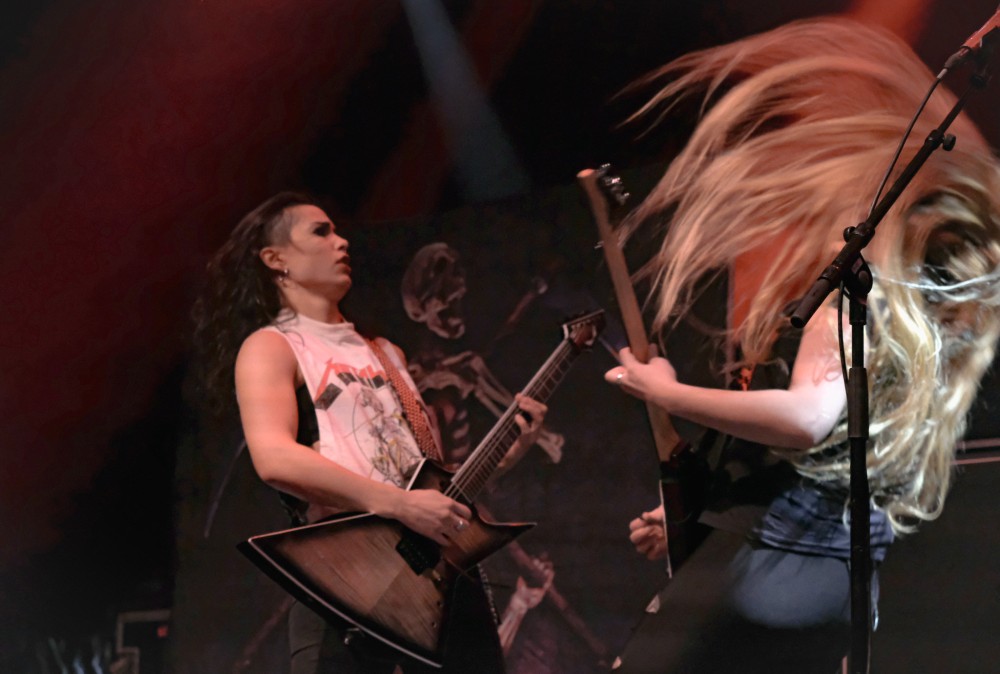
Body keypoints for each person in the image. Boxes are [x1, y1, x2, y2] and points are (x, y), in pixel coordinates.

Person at [603, 17, 1000, 673]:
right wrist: (700, 512)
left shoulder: (856, 299)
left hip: (773, 565)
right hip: (837, 582)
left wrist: (663, 392)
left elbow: (805, 419)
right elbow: (819, 452)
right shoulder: (921, 325)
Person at [194, 191, 548, 673]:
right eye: (320, 232)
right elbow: (274, 457)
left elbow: (425, 476)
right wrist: (398, 504)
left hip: (435, 582)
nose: (341, 242)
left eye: (339, 231)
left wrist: (506, 456)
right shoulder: (273, 346)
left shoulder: (387, 352)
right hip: (345, 584)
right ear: (276, 259)